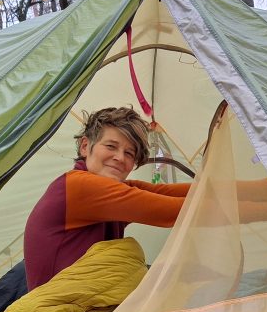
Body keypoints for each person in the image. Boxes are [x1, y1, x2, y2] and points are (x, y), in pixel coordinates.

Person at [23, 107, 190, 290]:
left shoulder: (110, 191)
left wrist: (222, 183)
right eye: (111, 146)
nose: (119, 158)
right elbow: (168, 210)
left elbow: (166, 192)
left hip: (82, 307)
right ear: (85, 146)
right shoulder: (79, 186)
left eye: (129, 153)